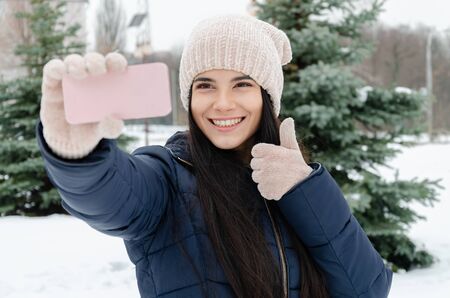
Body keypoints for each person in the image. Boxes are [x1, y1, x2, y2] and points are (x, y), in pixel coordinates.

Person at [36, 14, 392, 298]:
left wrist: (306, 190)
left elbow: (367, 289)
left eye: (242, 84)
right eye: (205, 85)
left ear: (267, 98)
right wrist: (79, 158)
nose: (222, 103)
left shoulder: (298, 184)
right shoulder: (167, 177)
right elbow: (112, 196)